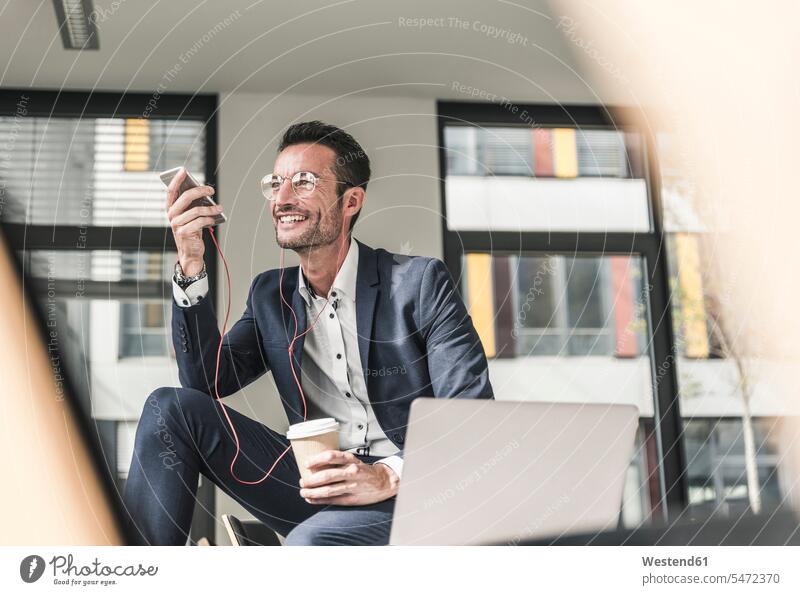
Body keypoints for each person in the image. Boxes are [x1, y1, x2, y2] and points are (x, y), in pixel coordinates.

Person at [123, 121, 494, 545]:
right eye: (275, 183)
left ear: (351, 200)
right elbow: (205, 382)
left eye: (303, 182)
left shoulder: (418, 282)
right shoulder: (270, 294)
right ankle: (143, 574)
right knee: (168, 409)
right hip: (312, 484)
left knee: (311, 545)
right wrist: (190, 262)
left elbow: (470, 415)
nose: (282, 199)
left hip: (406, 493)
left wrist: (386, 475)